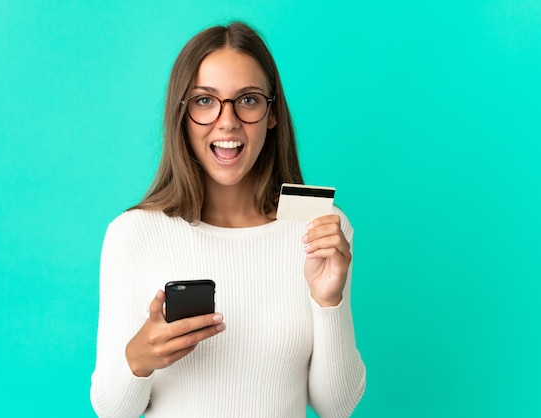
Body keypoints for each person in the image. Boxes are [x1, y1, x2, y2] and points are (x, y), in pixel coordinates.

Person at [90, 21, 366, 418]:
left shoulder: (319, 225)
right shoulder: (133, 234)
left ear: (272, 114)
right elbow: (111, 411)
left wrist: (329, 301)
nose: (228, 121)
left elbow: (336, 407)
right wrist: (139, 358)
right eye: (205, 101)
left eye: (248, 100)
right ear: (181, 115)